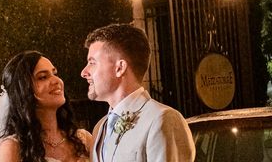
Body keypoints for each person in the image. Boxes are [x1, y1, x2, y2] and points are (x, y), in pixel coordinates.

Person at [81, 24, 195, 162]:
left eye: (92, 63)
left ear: (120, 68)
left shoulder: (162, 119)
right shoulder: (100, 127)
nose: (84, 72)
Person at [0, 50, 93, 162]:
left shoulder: (83, 139)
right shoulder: (13, 147)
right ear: (23, 90)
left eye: (55, 74)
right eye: (43, 77)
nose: (56, 81)